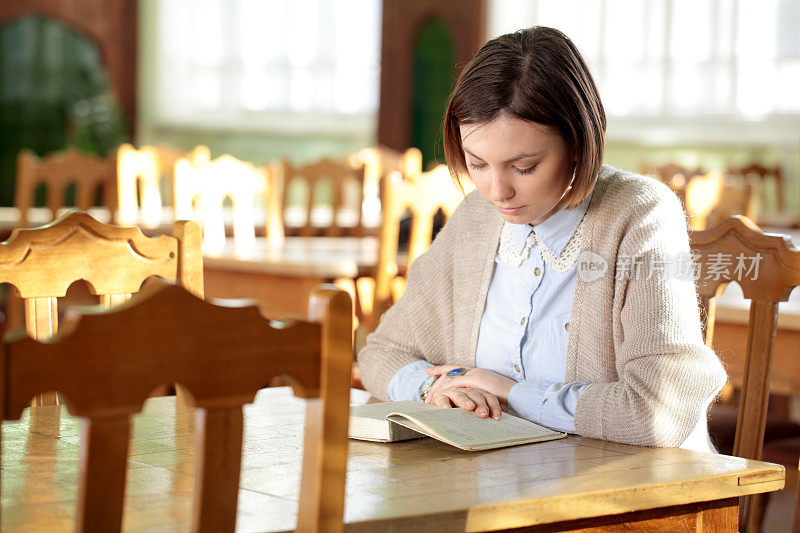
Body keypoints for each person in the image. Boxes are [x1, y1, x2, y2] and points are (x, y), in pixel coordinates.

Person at [357, 26, 726, 451]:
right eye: (477, 163)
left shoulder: (640, 216)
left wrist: (509, 392)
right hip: (504, 480)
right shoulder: (476, 217)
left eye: (525, 167)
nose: (497, 192)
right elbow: (381, 353)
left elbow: (657, 412)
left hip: (630, 491)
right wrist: (439, 389)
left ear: (577, 142)